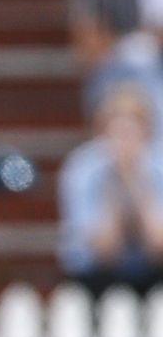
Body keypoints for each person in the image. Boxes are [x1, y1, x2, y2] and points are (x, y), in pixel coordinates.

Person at [58, 85, 163, 294]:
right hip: (95, 277)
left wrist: (136, 183)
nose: (124, 141)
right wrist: (113, 184)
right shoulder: (82, 169)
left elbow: (158, 244)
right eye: (117, 132)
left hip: (152, 274)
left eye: (131, 131)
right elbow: (103, 249)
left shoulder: (158, 166)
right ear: (101, 133)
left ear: (146, 133)